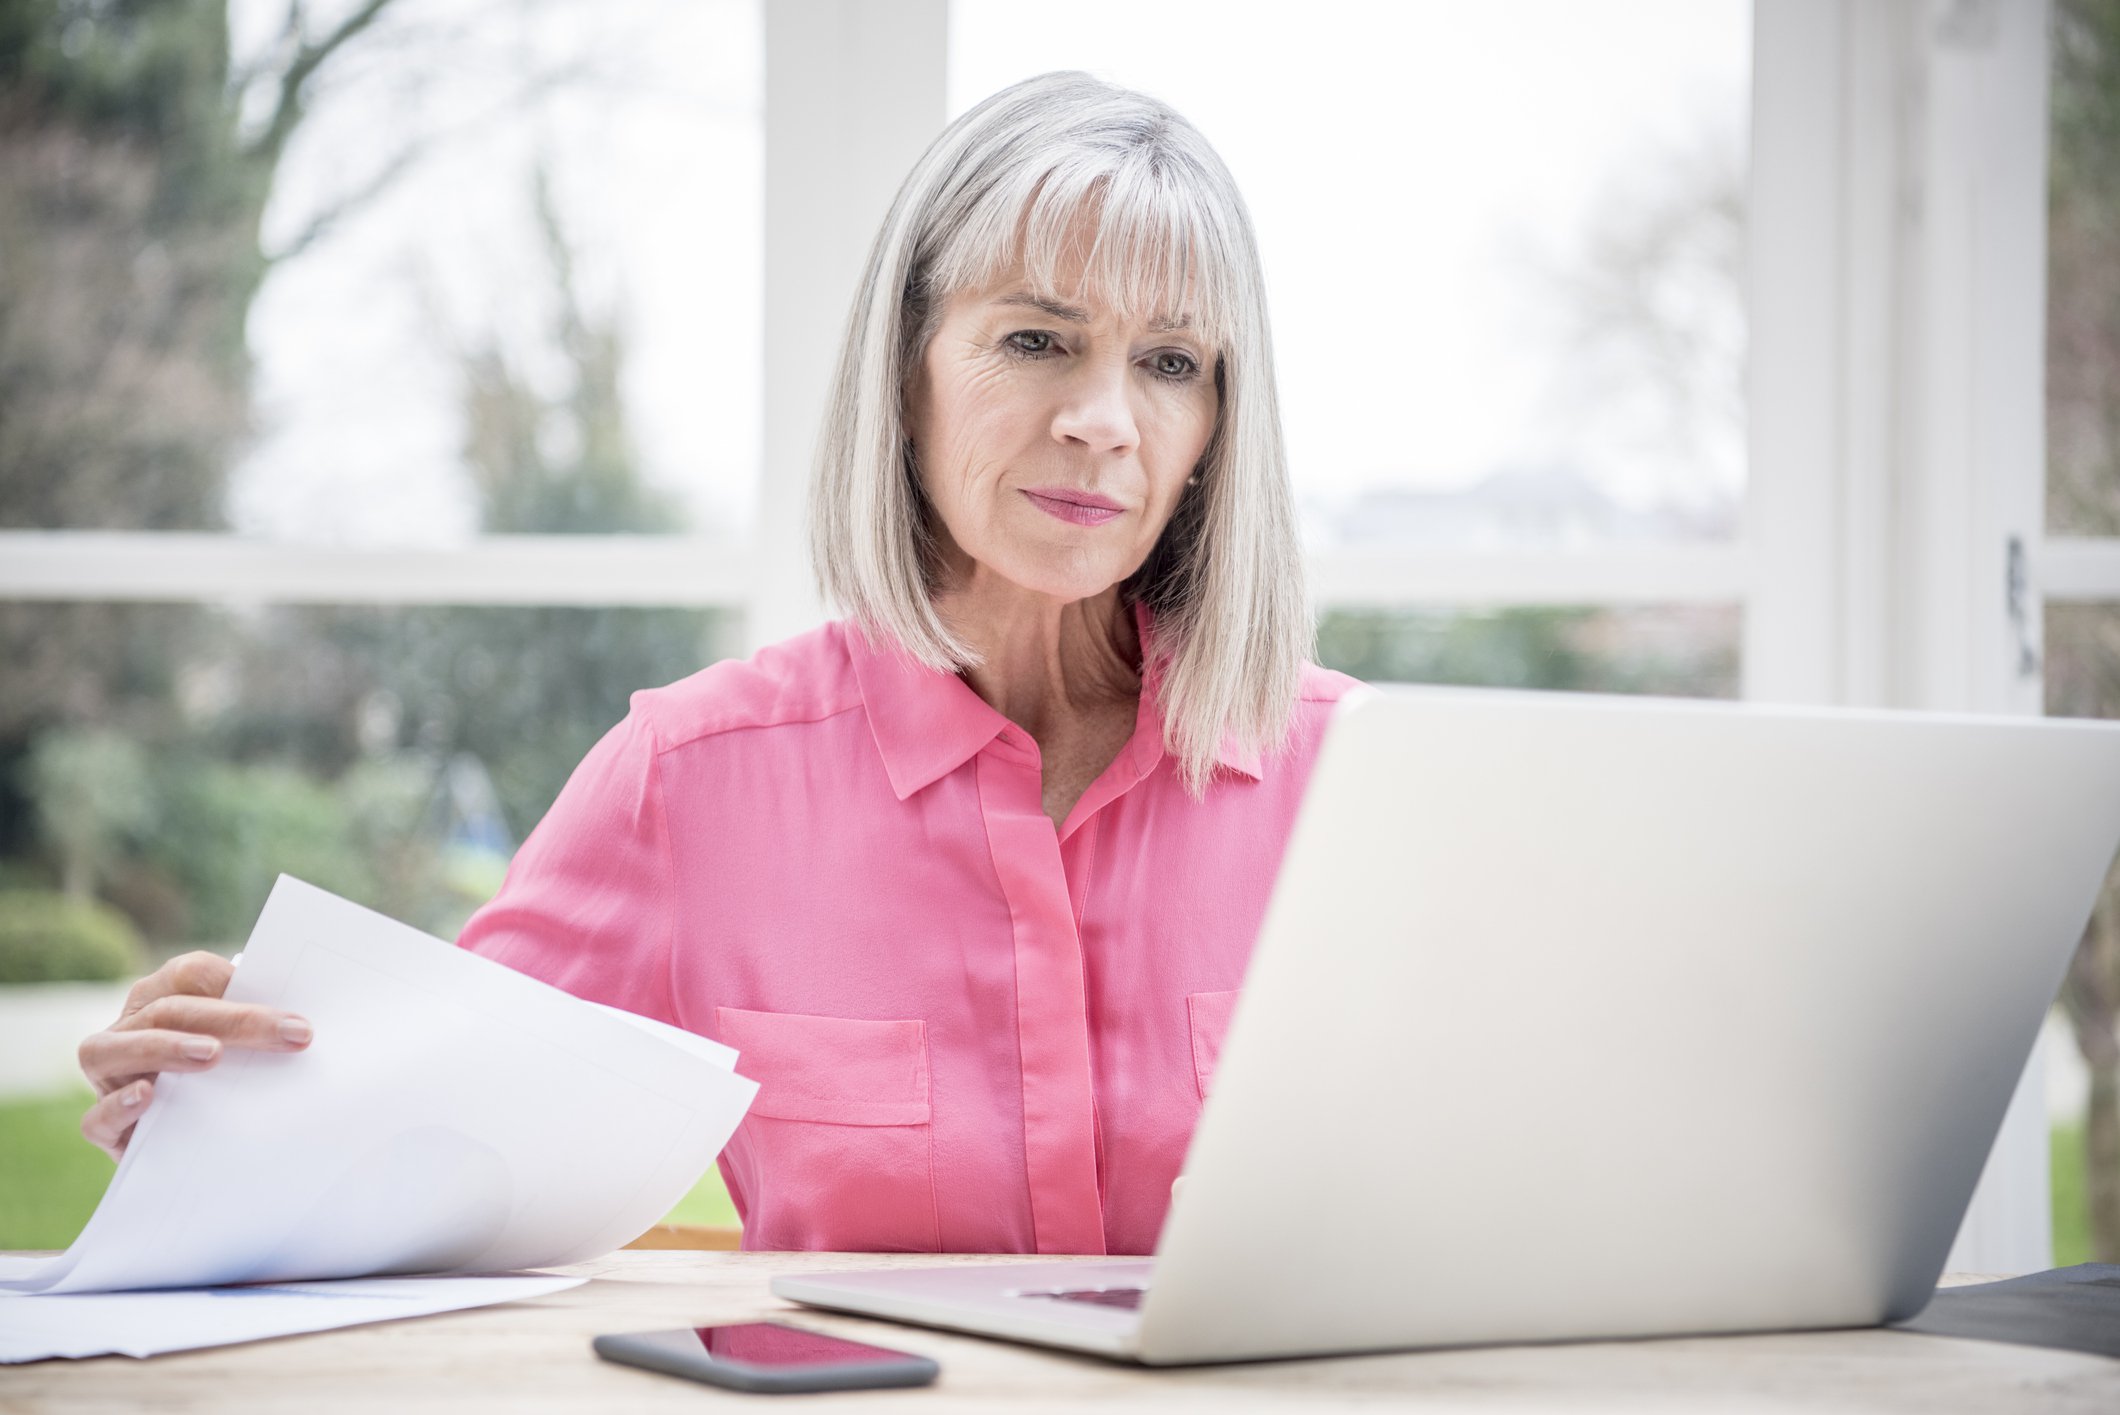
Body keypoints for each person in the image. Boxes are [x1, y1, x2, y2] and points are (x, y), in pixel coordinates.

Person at [73, 71, 1358, 1256]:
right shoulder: (689, 776)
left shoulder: (1362, 786)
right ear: (903, 371)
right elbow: (401, 1135)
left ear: (1216, 425)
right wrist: (207, 1091)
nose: (1103, 419)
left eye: (1170, 363)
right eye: (1035, 340)